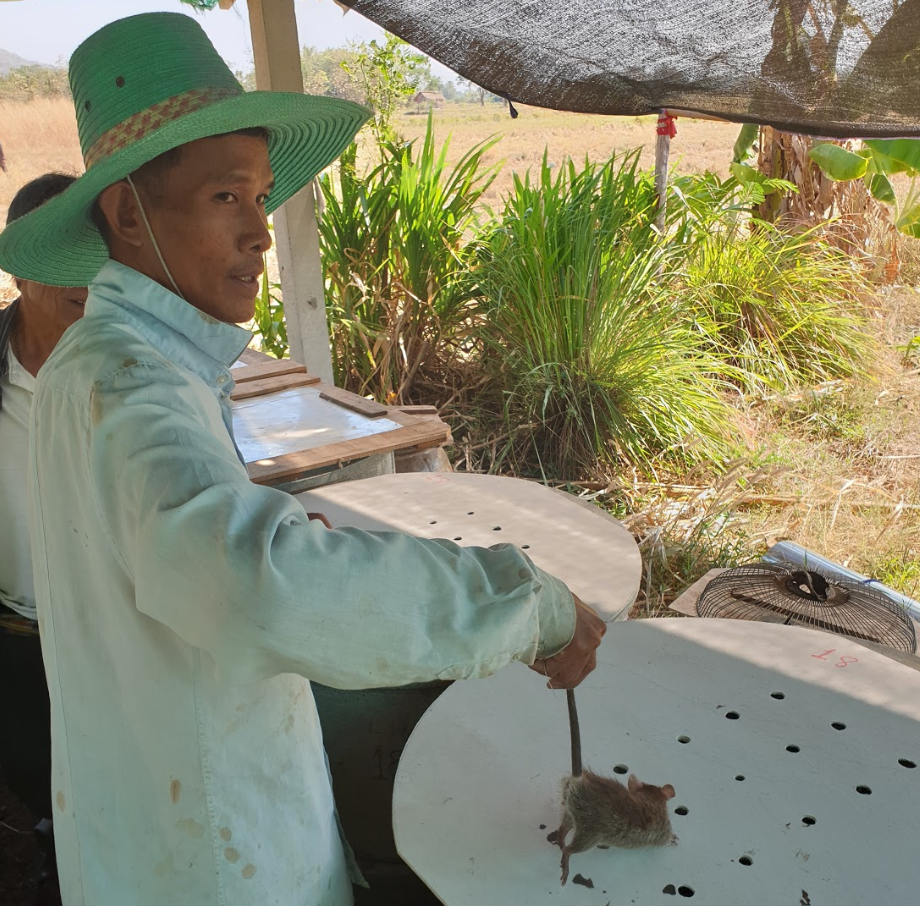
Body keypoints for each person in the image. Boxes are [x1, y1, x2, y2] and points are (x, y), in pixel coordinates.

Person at [0, 14, 605, 906]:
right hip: (213, 853)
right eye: (226, 197)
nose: (259, 232)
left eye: (261, 197)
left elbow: (169, 550)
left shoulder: (105, 365)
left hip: (148, 824)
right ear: (130, 214)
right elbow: (257, 585)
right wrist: (524, 603)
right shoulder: (132, 387)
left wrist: (266, 519)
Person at [0, 173, 87, 898]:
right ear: (18, 266)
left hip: (107, 625)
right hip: (14, 633)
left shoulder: (129, 369)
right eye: (63, 255)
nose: (88, 276)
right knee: (35, 770)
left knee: (112, 772)